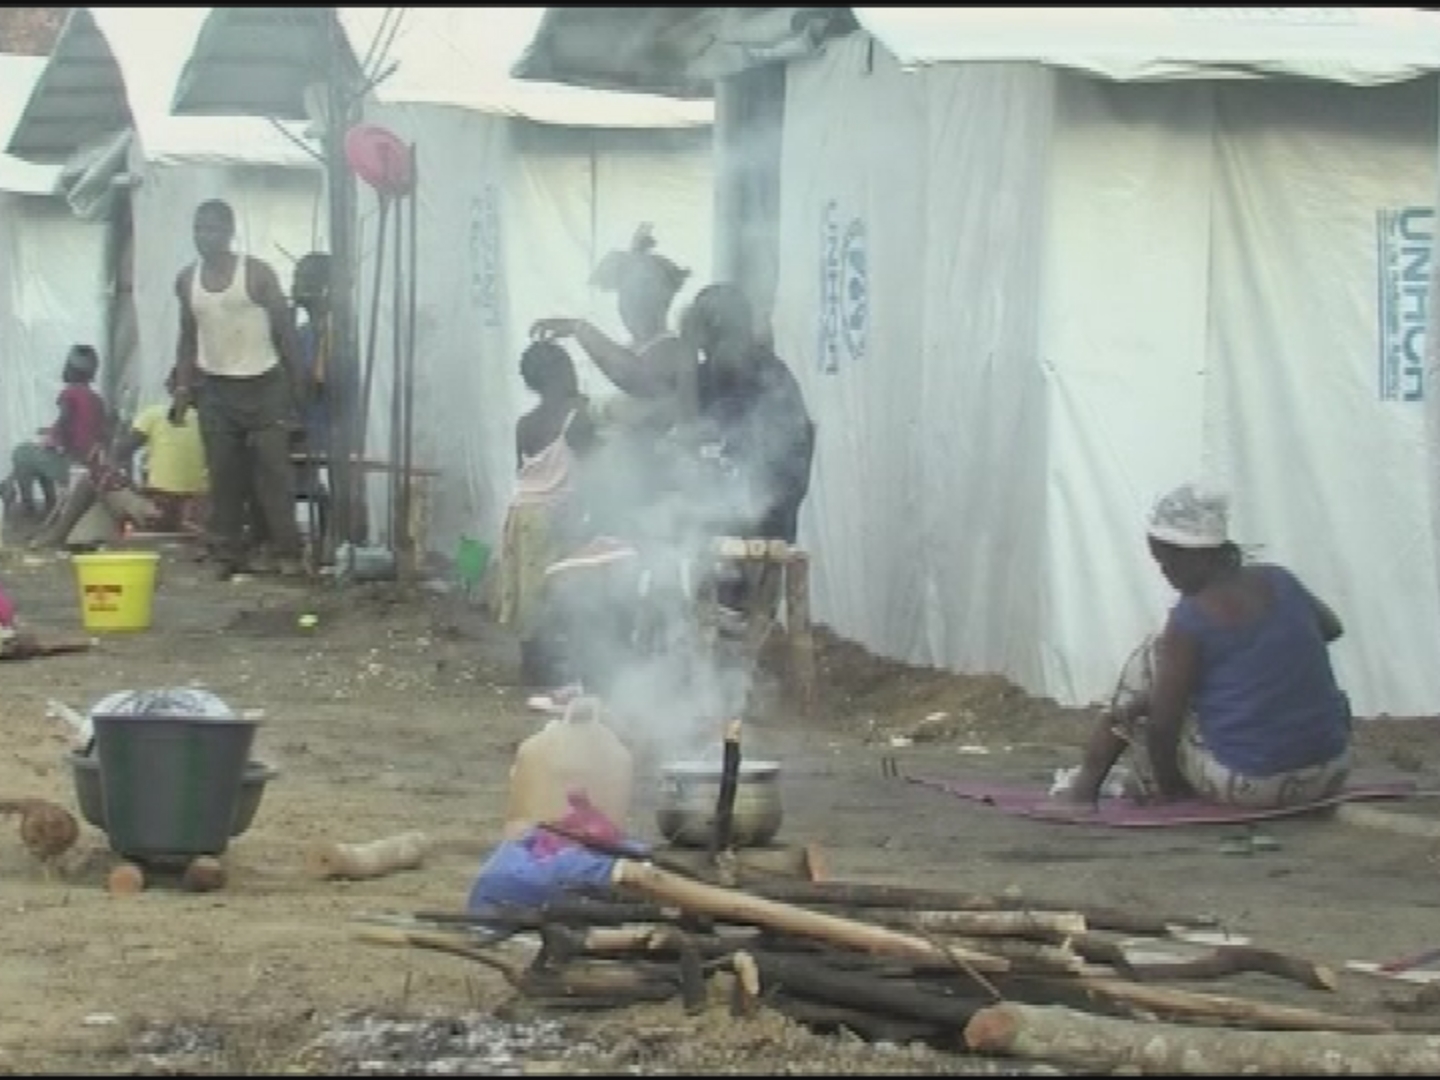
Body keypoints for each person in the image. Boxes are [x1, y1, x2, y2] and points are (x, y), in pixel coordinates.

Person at [1051, 483, 1353, 813]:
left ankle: (1086, 787)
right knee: (1173, 681)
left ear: (1197, 556)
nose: (1165, 574)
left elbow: (1163, 728)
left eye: (1167, 563)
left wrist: (1171, 788)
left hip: (1254, 784)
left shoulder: (1191, 617)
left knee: (1148, 669)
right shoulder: (1280, 580)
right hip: (1330, 773)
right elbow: (1331, 628)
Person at [171, 198, 306, 579]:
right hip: (216, 387)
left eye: (212, 228)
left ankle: (287, 552)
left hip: (265, 384)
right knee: (223, 473)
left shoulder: (257, 274)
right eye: (198, 228)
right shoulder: (186, 280)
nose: (204, 236)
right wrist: (183, 388)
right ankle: (226, 552)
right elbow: (186, 338)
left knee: (273, 472)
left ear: (229, 232)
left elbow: (285, 331)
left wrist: (298, 385)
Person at [495, 340, 595, 689]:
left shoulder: (525, 424)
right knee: (559, 589)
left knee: (529, 593)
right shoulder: (576, 419)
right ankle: (554, 667)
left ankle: (532, 664)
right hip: (553, 516)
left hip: (521, 513)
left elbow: (521, 471)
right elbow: (593, 467)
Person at [29, 368, 208, 550]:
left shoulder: (155, 415)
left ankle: (58, 535)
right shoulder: (214, 425)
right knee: (111, 491)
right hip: (196, 517)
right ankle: (82, 537)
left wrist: (120, 468)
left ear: (171, 387)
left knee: (95, 476)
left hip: (159, 514)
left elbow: (119, 453)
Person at [1, 345, 107, 520]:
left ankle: (27, 505)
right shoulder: (97, 399)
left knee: (22, 453)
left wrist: (51, 437)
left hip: (72, 467)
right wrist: (51, 434)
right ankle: (49, 501)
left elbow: (65, 420)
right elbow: (88, 428)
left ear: (72, 370)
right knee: (40, 454)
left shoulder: (70, 393)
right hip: (89, 465)